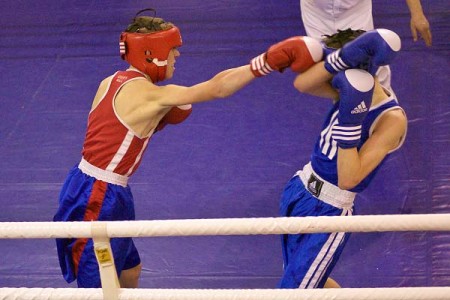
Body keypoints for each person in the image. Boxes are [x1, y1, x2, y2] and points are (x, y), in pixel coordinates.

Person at [52, 8, 325, 288]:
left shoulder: (111, 81)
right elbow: (217, 88)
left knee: (130, 269)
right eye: (172, 49)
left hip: (98, 186)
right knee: (98, 285)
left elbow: (110, 128)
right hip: (98, 195)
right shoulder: (152, 95)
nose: (177, 56)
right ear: (151, 53)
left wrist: (153, 122)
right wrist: (263, 64)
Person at [277, 29, 408, 288]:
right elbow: (302, 84)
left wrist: (350, 122)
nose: (329, 78)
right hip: (299, 189)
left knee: (294, 291)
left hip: (330, 209)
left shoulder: (391, 119)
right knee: (311, 282)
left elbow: (349, 178)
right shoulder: (346, 87)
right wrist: (337, 61)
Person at [299, 0, 432, 93]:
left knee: (370, 68)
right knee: (329, 71)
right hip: (317, 12)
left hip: (355, 10)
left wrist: (417, 13)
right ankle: (347, 113)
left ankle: (387, 115)